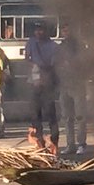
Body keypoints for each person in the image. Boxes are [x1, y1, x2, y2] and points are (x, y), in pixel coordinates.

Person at [25, 22, 59, 149]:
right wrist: (33, 68)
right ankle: (40, 142)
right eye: (36, 30)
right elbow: (27, 59)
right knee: (35, 115)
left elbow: (54, 65)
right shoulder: (31, 43)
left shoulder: (53, 46)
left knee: (51, 115)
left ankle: (54, 142)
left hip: (47, 86)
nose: (38, 32)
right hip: (33, 85)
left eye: (41, 30)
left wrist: (42, 72)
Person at [57, 30, 88, 158]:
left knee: (80, 116)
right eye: (64, 29)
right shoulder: (60, 47)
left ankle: (81, 144)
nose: (65, 32)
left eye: (67, 29)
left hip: (78, 85)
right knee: (67, 117)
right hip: (64, 85)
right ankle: (70, 145)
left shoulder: (80, 46)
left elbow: (86, 64)